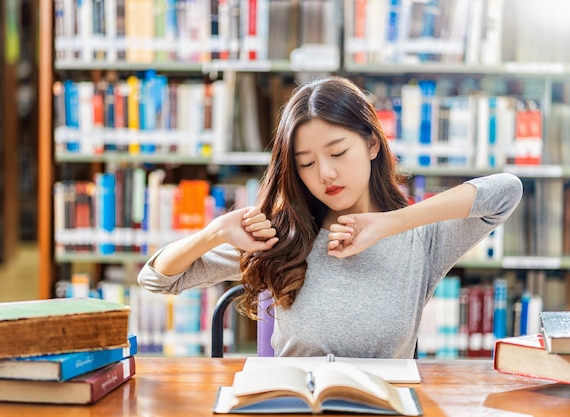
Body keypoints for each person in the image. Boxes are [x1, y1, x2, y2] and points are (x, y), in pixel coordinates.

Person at [138, 76, 523, 358]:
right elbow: (156, 279)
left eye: (337, 153)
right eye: (306, 163)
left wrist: (389, 224)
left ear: (372, 144)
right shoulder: (280, 235)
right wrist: (215, 232)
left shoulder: (421, 239)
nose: (325, 174)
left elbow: (506, 191)